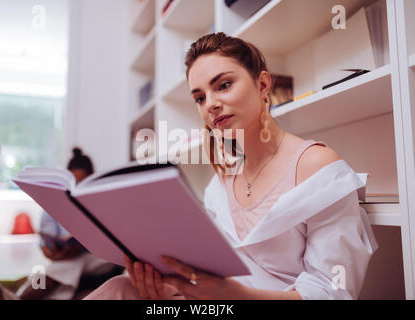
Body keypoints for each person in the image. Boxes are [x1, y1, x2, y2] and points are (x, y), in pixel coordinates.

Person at [84, 32, 378, 300]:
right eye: (200, 97)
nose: (210, 104)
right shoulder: (224, 177)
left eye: (223, 85)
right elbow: (210, 269)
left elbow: (333, 292)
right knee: (119, 288)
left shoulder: (317, 166)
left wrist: (237, 295)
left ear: (262, 84)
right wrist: (168, 283)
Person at [18, 147, 124, 300]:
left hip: (98, 258)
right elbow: (45, 245)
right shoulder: (54, 204)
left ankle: (19, 297)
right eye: (73, 183)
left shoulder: (104, 202)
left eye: (82, 183)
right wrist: (53, 253)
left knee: (58, 269)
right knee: (61, 266)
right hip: (66, 260)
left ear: (91, 179)